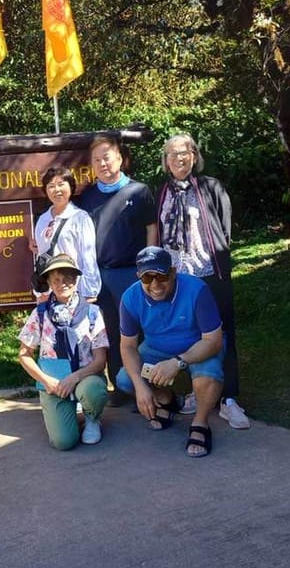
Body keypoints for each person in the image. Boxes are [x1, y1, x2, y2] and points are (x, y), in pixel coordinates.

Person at [156, 134, 249, 429]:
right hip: (178, 278)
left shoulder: (211, 187)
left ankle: (229, 399)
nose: (178, 158)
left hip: (209, 274)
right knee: (192, 335)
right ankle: (200, 392)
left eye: (184, 153)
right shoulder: (161, 193)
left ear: (194, 156)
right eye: (172, 154)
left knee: (221, 334)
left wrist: (219, 263)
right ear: (165, 161)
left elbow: (224, 231)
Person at [117, 246, 224, 458]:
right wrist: (140, 387)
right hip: (156, 348)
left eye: (162, 276)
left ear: (173, 272)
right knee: (125, 380)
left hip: (197, 347)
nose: (155, 284)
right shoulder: (129, 298)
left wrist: (177, 363)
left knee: (208, 377)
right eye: (147, 278)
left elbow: (213, 341)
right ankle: (167, 401)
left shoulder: (197, 289)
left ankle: (200, 423)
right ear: (139, 277)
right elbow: (127, 346)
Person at [75, 136, 157, 379]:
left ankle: (144, 386)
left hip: (130, 272)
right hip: (99, 276)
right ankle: (120, 386)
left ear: (120, 158)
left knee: (135, 330)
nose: (103, 164)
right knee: (108, 330)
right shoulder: (87, 197)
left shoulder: (139, 191)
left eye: (107, 157)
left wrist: (147, 268)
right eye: (97, 160)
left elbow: (151, 227)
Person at [17, 254, 109, 450]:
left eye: (68, 277)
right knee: (63, 442)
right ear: (49, 281)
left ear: (76, 279)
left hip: (85, 376)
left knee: (92, 390)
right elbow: (24, 355)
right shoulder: (40, 314)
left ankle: (92, 418)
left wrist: (74, 378)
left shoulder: (92, 313)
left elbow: (100, 360)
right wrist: (45, 380)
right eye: (56, 279)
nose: (62, 283)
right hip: (54, 384)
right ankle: (65, 418)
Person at [32, 166, 101, 301]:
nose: (56, 190)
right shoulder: (43, 219)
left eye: (61, 184)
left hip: (75, 289)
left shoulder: (80, 217)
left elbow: (88, 256)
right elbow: (41, 255)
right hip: (50, 291)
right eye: (51, 186)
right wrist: (41, 292)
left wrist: (90, 292)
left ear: (71, 187)